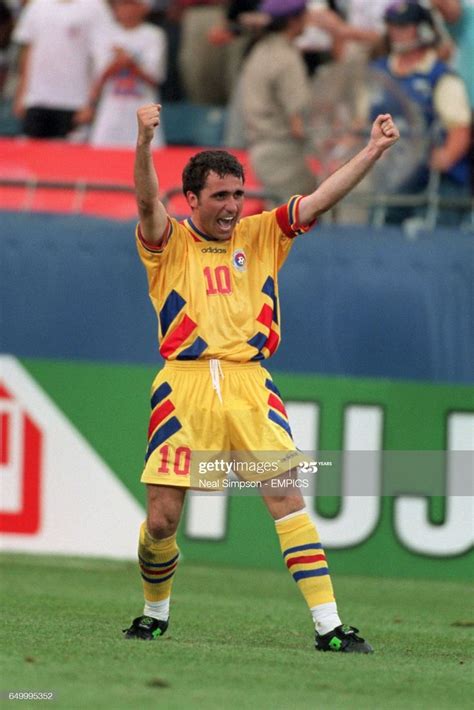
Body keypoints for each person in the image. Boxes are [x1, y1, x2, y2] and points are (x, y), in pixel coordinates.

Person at [122, 100, 400, 652]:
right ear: (193, 199)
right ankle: (155, 614)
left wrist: (373, 149)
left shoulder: (263, 234)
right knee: (161, 520)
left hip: (252, 385)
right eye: (219, 196)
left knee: (286, 497)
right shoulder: (167, 243)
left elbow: (322, 197)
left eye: (237, 194)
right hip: (185, 386)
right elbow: (146, 200)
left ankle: (330, 628)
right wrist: (143, 143)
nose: (231, 207)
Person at [370, 0, 471, 225]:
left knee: (443, 220)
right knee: (377, 218)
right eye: (393, 26)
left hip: (433, 173)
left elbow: (460, 129)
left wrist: (442, 158)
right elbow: (360, 119)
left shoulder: (440, 76)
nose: (397, 33)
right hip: (390, 170)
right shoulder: (377, 72)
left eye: (404, 27)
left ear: (423, 30)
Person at [240, 0, 315, 204]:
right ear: (293, 21)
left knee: (276, 223)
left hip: (260, 150)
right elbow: (298, 122)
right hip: (283, 153)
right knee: (304, 216)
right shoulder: (287, 58)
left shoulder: (259, 50)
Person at [12, 0, 112, 139]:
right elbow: (28, 51)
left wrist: (91, 102)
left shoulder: (95, 7)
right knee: (33, 156)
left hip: (75, 102)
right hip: (36, 99)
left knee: (68, 158)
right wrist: (21, 95)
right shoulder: (37, 5)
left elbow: (101, 59)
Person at [82, 0, 167, 148]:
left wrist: (130, 61)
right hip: (110, 113)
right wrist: (118, 62)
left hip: (144, 112)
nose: (126, 9)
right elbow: (99, 76)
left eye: (131, 4)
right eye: (122, 4)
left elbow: (155, 77)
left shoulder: (154, 35)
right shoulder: (104, 34)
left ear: (143, 8)